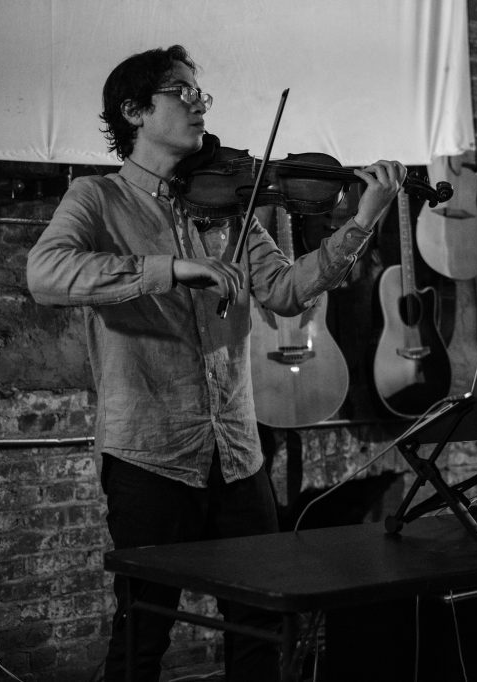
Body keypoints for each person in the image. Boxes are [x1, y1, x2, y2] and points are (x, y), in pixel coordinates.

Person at [26, 45, 405, 682]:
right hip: (150, 455)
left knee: (259, 632)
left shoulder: (227, 208)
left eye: (200, 92)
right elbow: (45, 273)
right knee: (142, 638)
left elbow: (285, 290)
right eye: (181, 91)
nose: (200, 101)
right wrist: (170, 269)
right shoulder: (95, 199)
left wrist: (362, 221)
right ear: (135, 111)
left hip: (235, 452)